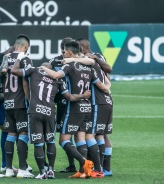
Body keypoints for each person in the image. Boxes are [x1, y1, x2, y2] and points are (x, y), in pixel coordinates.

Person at [11, 53, 92, 179]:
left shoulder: (34, 70)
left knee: (38, 143)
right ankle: (51, 171)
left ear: (42, 67)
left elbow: (14, 71)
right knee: (50, 141)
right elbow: (69, 97)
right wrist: (83, 96)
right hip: (50, 112)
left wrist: (19, 58)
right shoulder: (58, 79)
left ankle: (42, 172)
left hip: (35, 111)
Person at [41, 40, 110, 178]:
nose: (64, 55)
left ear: (70, 52)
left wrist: (42, 69)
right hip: (87, 107)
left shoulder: (69, 66)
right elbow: (101, 84)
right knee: (81, 138)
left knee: (64, 140)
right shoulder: (89, 68)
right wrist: (108, 89)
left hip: (74, 108)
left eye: (65, 52)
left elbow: (55, 76)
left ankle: (84, 162)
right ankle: (87, 171)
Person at [75, 38, 114, 176]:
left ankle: (98, 169)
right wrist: (108, 88)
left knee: (90, 134)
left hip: (98, 101)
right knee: (102, 134)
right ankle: (106, 168)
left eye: (77, 48)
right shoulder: (99, 57)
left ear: (83, 48)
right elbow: (108, 72)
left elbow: (107, 70)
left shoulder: (88, 60)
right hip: (107, 100)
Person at [0, 34, 34, 178]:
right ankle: (22, 169)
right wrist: (30, 100)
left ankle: (8, 169)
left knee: (11, 134)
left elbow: (1, 75)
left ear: (15, 45)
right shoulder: (25, 59)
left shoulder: (5, 58)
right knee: (23, 133)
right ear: (26, 47)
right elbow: (26, 82)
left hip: (8, 101)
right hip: (21, 102)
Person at [49, 37, 77, 173]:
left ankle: (79, 164)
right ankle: (73, 165)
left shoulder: (58, 61)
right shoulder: (57, 61)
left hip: (67, 100)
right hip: (63, 101)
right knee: (69, 135)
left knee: (68, 136)